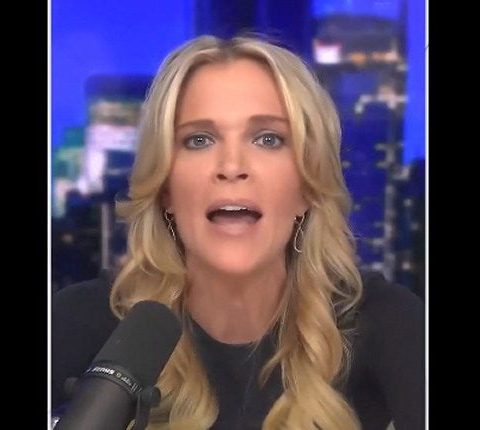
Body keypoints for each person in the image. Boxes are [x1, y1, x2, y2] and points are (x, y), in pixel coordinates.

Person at [52, 35, 425, 430]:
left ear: (307, 188)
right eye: (199, 140)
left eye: (268, 139)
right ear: (165, 190)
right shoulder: (81, 320)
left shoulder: (385, 321)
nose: (231, 166)